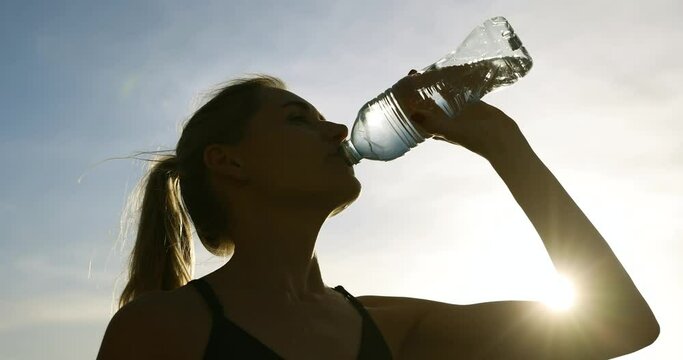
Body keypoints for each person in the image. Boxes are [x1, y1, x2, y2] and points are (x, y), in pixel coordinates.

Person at [96, 72, 659, 359]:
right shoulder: (161, 330)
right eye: (298, 119)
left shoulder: (388, 329)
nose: (339, 129)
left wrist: (508, 150)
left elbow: (624, 325)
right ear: (230, 162)